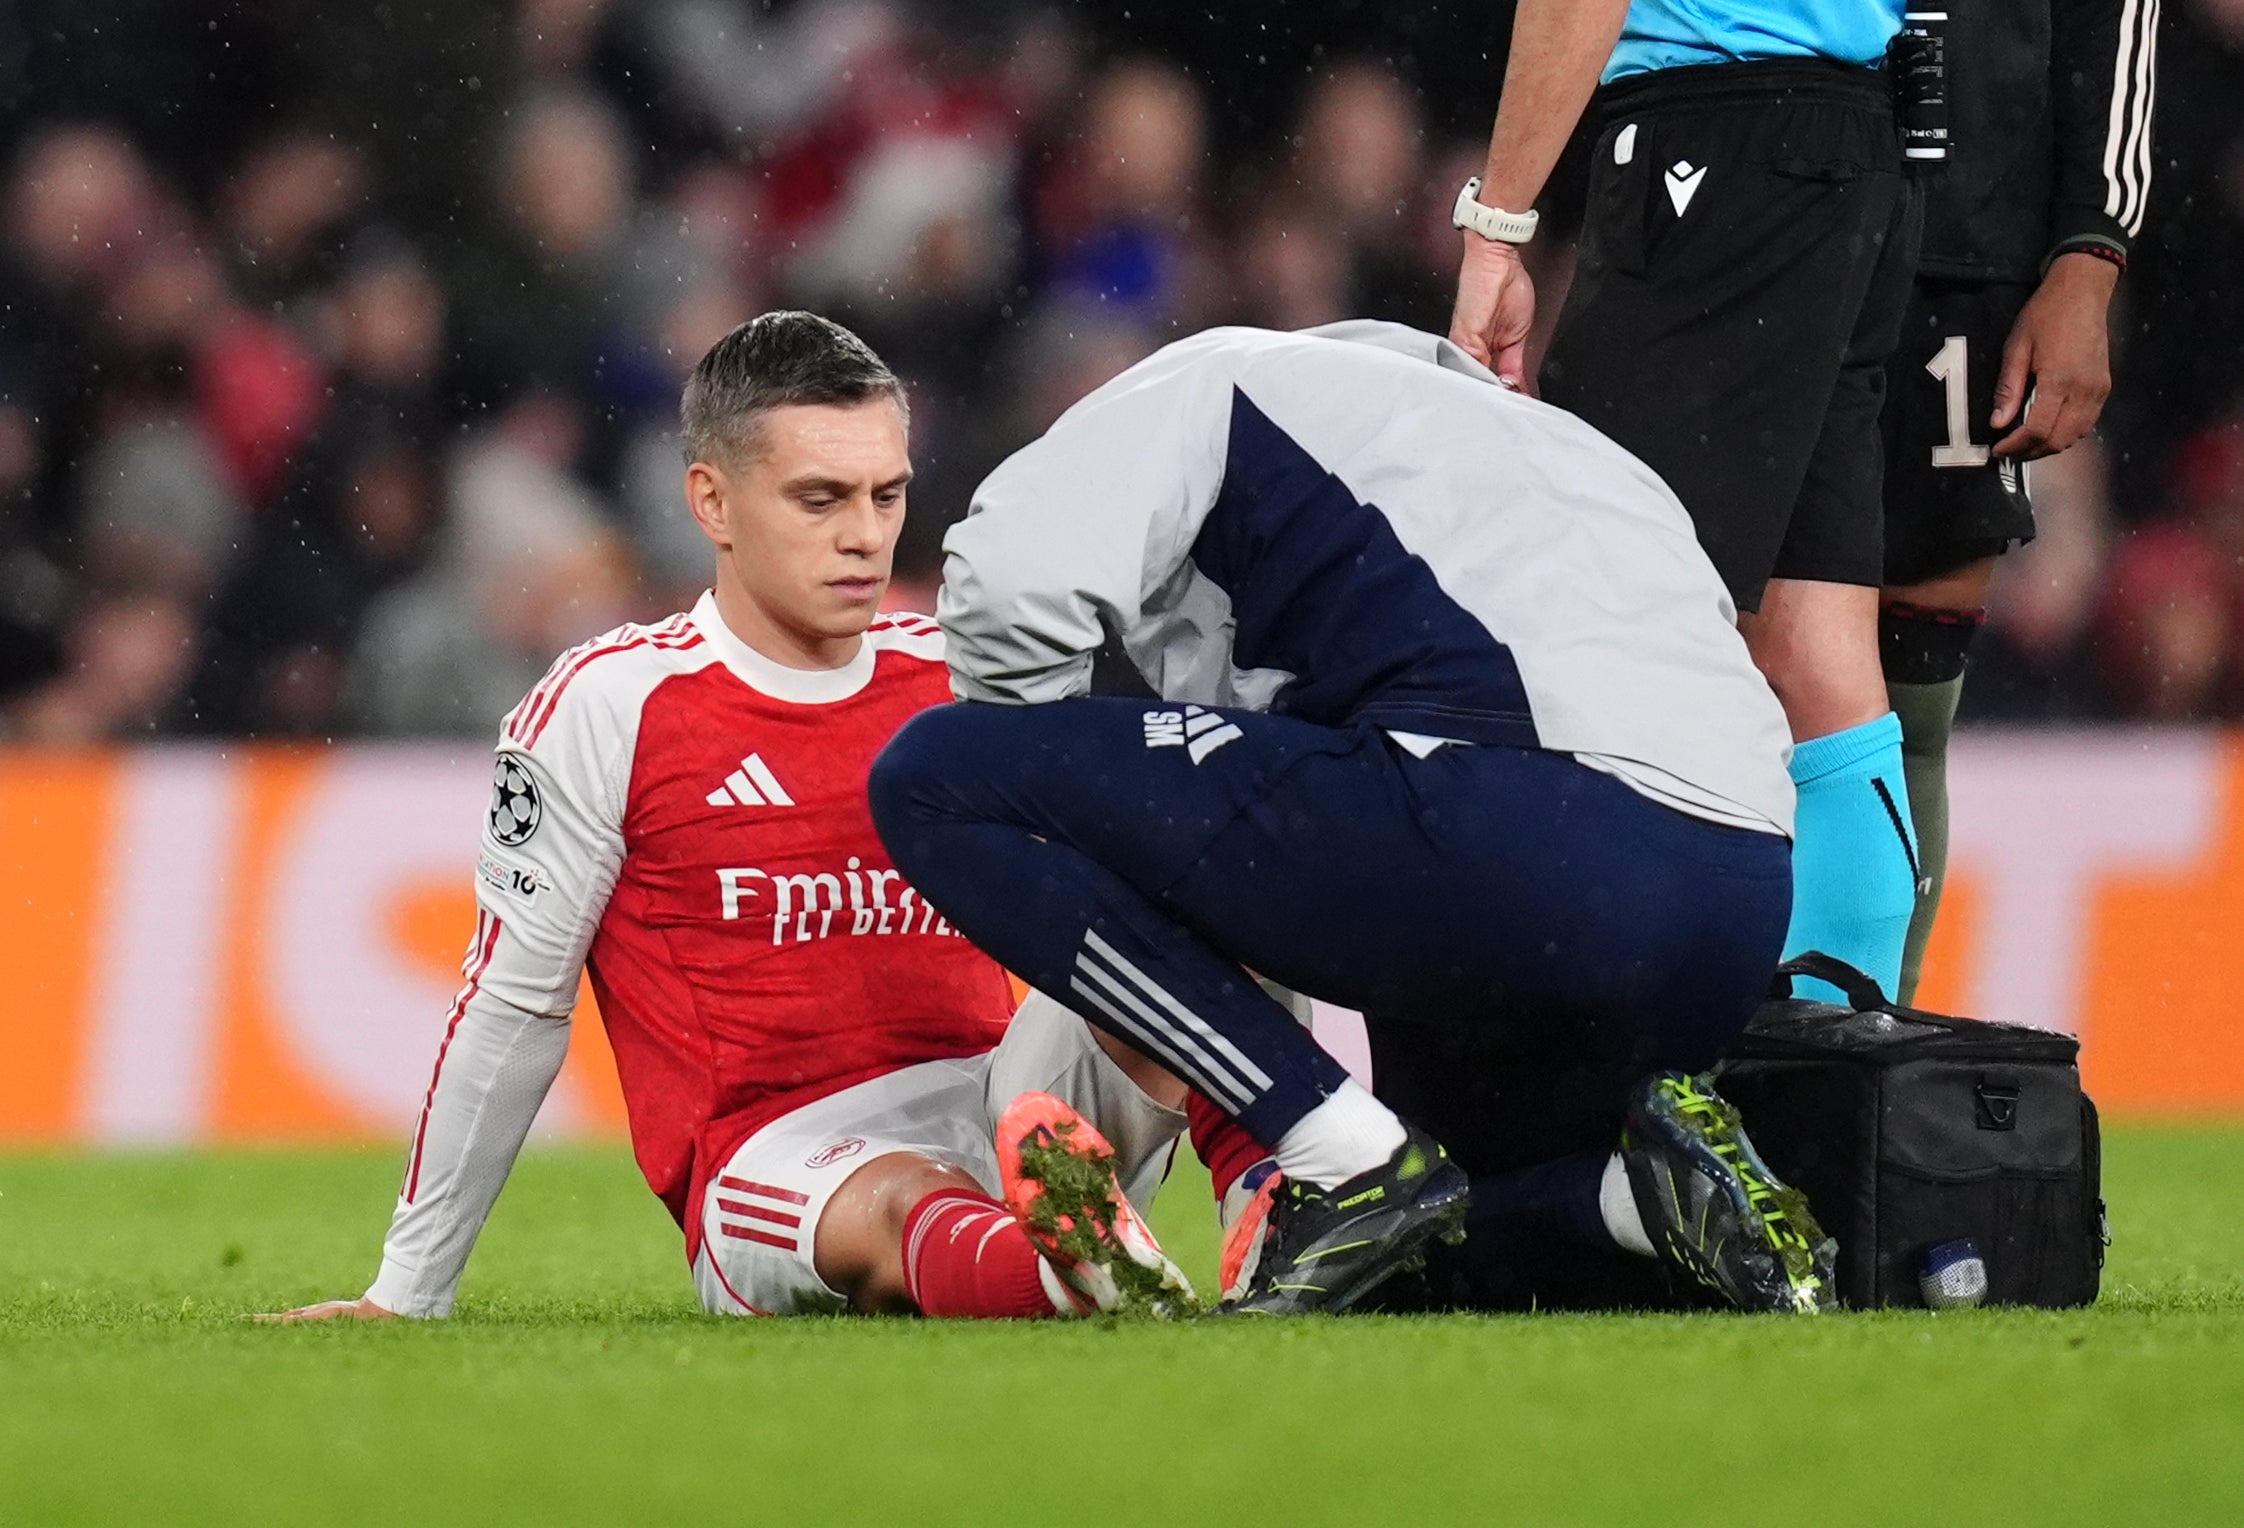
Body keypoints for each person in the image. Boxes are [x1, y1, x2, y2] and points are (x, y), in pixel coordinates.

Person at [870, 319, 1835, 1317]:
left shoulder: (1205, 382)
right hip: (1736, 900)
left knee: (937, 777)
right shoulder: (1528, 439)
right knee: (1424, 1264)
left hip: (1525, 835)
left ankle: (1338, 1153)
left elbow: (1007, 590)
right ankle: (1630, 1198)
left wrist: (1066, 843)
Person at [264, 311, 1193, 1325]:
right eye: (820, 499)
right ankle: (1061, 1265)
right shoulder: (612, 704)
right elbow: (515, 1003)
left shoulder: (964, 675)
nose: (866, 534)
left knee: (1212, 897)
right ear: (712, 500)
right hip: (783, 1155)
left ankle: (1275, 1214)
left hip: (1003, 1102)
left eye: (888, 495)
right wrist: (408, 1290)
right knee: (898, 1203)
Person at [1448, 0, 1922, 1002]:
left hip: (1717, 135)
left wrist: (1496, 230)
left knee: (1597, 640)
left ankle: (1605, 1107)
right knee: (1815, 652)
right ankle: (1839, 1113)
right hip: (1849, 133)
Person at [1877, 0, 2157, 999]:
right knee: (1738, 692)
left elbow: (2119, 18)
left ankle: (1866, 1070)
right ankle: (1699, 1065)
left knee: (1908, 710)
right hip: (1751, 218)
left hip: (1959, 253)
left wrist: (2091, 251)